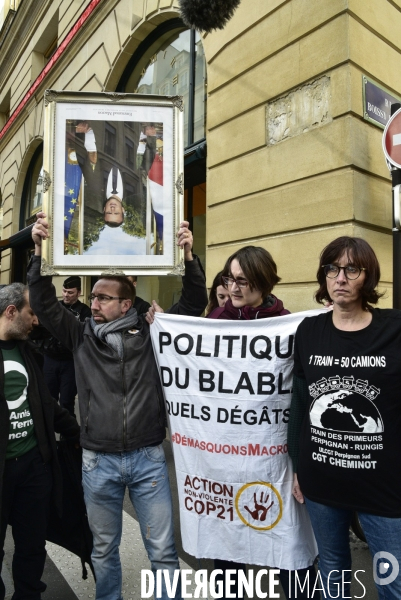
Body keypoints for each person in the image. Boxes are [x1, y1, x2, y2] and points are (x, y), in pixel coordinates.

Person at [28, 212, 208, 600]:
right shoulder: (80, 335)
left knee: (161, 551)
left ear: (126, 304)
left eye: (103, 298)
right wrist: (39, 256)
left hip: (147, 459)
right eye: (92, 296)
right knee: (104, 549)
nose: (93, 303)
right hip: (98, 462)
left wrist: (189, 257)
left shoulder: (152, 332)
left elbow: (195, 303)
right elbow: (43, 304)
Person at [148, 246, 317, 600]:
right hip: (220, 465)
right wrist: (165, 329)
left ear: (264, 282)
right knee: (226, 552)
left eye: (243, 280)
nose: (234, 287)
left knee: (289, 551)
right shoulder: (215, 323)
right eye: (229, 278)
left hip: (273, 463)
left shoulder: (287, 324)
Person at [288, 236, 401, 599]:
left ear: (367, 277)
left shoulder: (394, 330)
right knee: (332, 571)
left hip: (383, 486)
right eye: (332, 269)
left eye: (351, 269)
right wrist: (297, 466)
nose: (340, 277)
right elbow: (301, 404)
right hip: (322, 481)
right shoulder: (309, 332)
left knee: (392, 581)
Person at [0, 283, 80, 600]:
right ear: (11, 312)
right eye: (31, 313)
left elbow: (46, 403)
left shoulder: (28, 352)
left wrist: (79, 433)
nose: (36, 321)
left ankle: (28, 595)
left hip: (34, 467)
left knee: (32, 544)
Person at [42, 275, 91, 416]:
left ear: (79, 292)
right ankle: (48, 433)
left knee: (67, 401)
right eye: (64, 291)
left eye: (70, 292)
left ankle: (67, 437)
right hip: (50, 358)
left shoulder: (85, 311)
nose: (66, 295)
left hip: (71, 361)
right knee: (48, 399)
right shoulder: (55, 307)